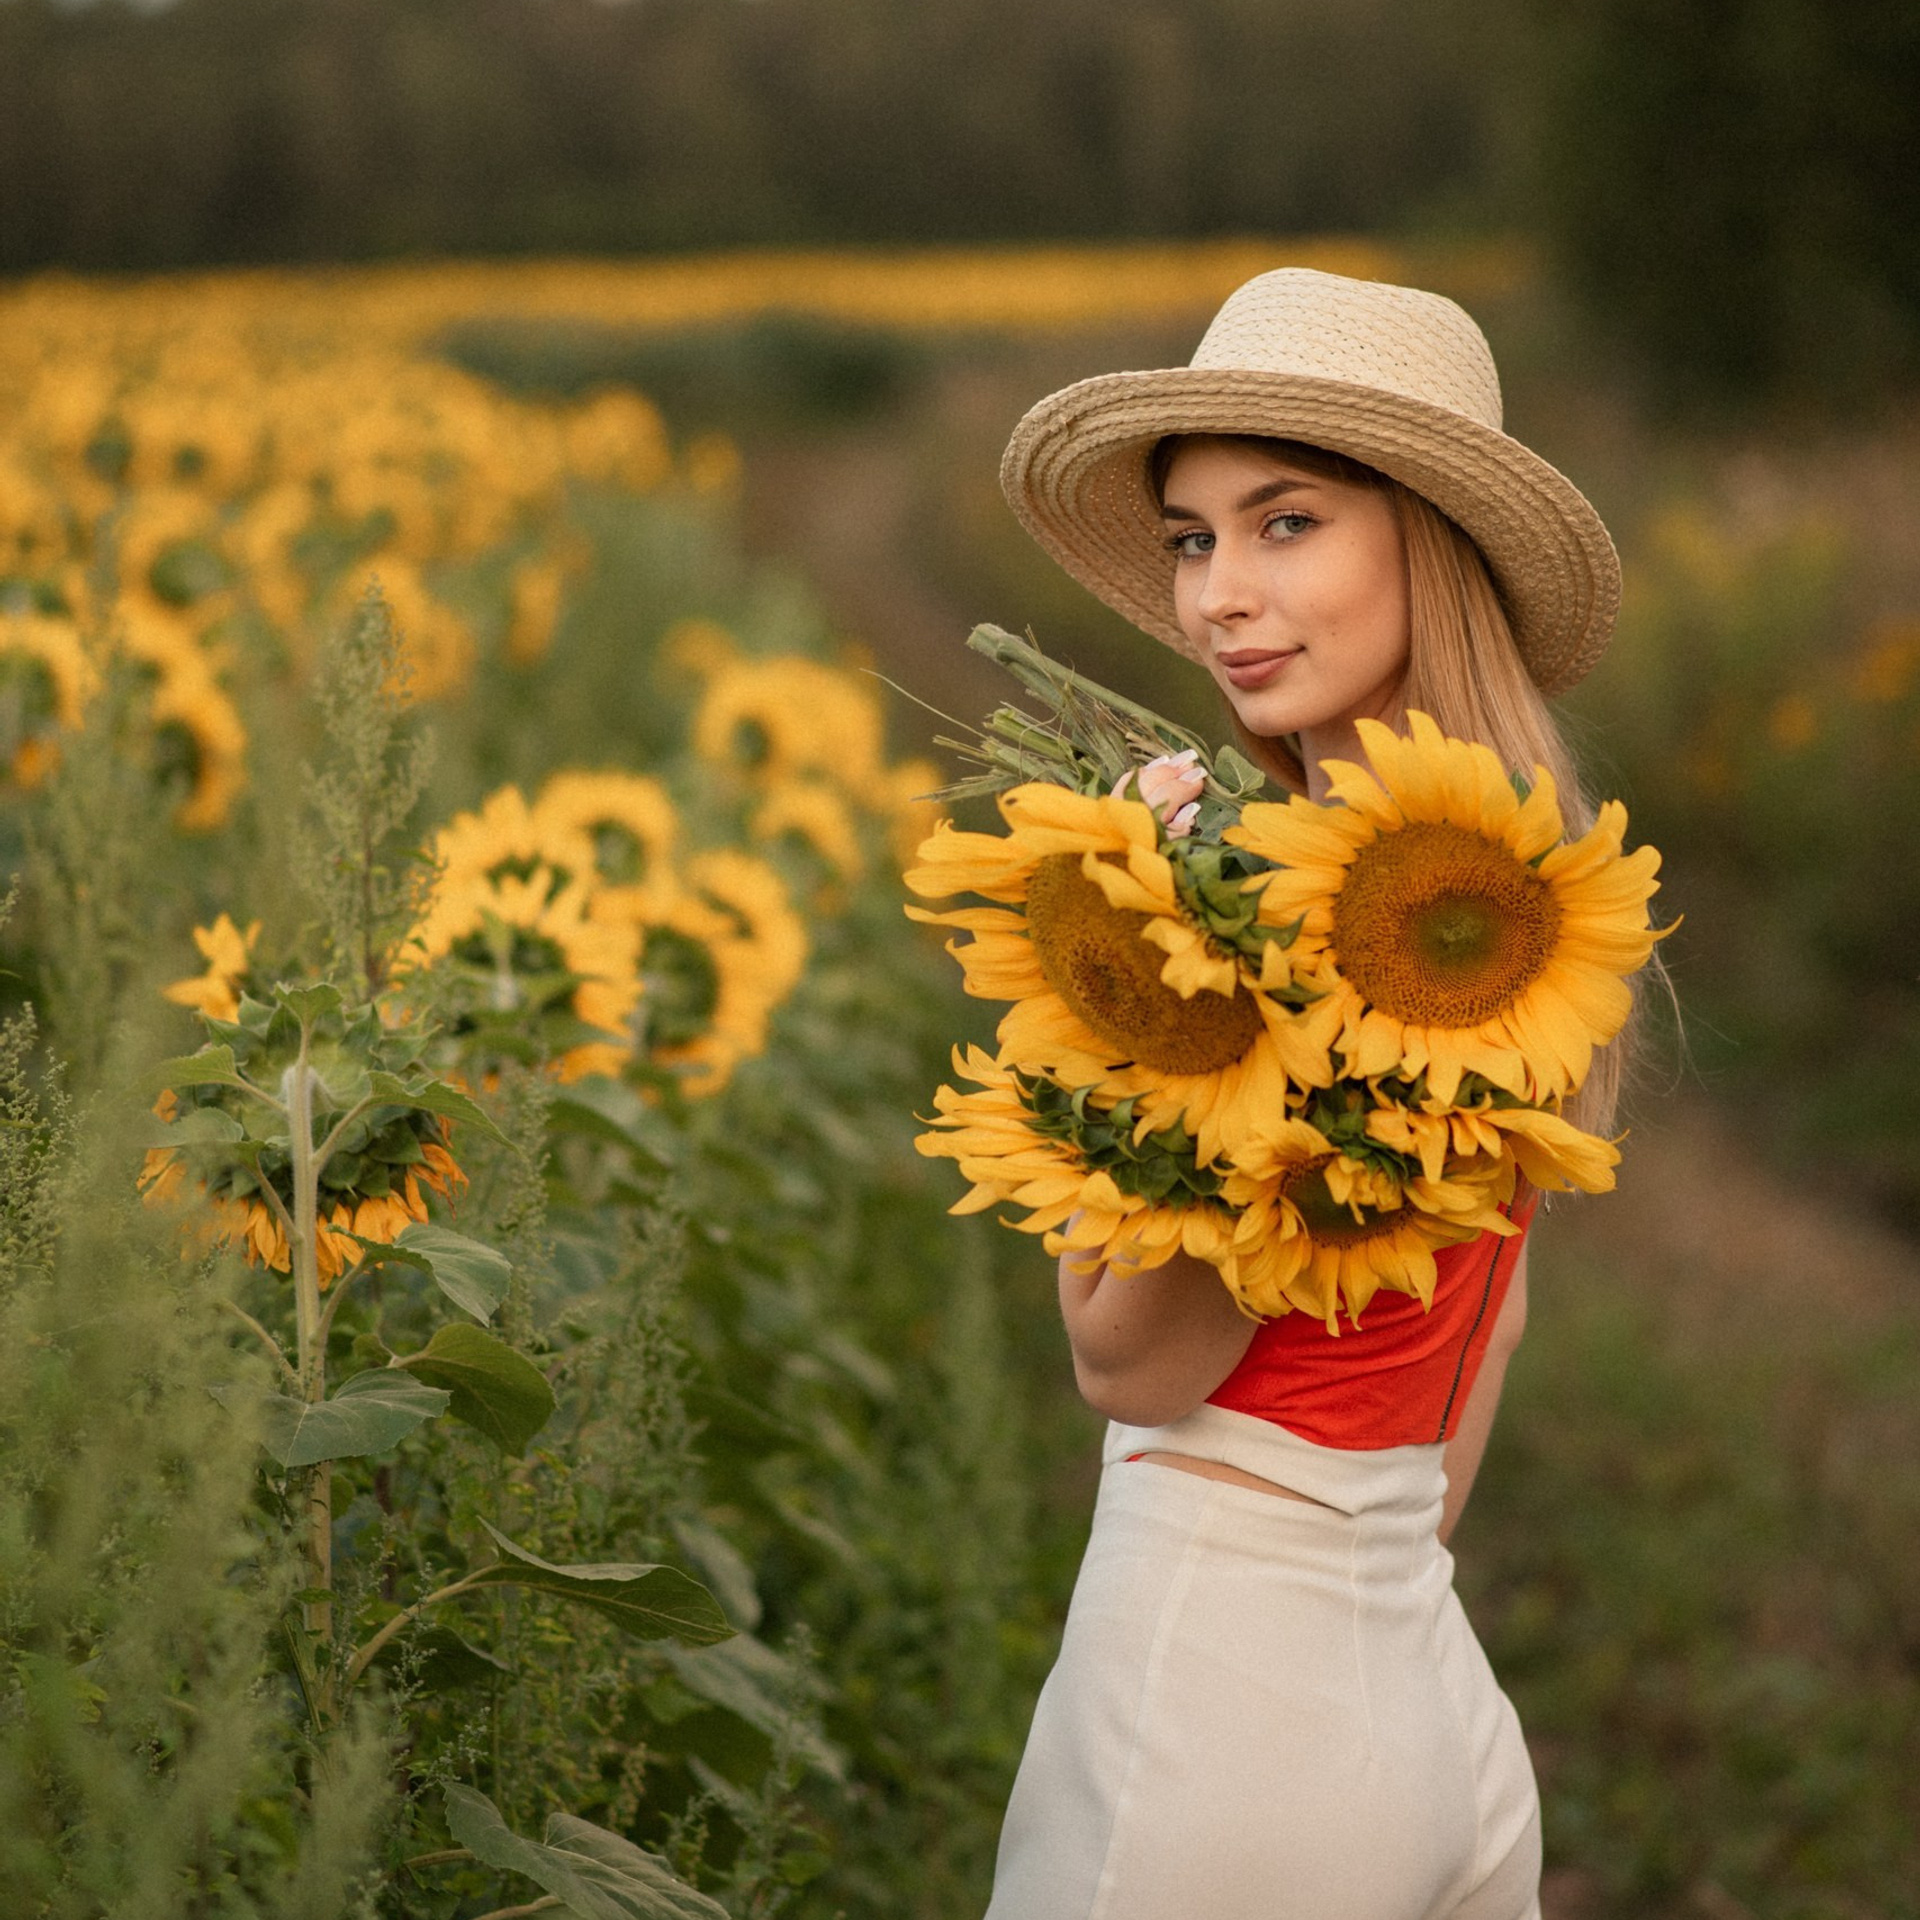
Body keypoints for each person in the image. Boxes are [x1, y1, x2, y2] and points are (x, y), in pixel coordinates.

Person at [983, 268, 1631, 1920]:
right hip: (1423, 1685)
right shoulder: (1498, 912)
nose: (1218, 596)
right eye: (1196, 538)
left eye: (1286, 523)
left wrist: (1126, 1001)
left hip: (1216, 1709)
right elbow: (1489, 1336)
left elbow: (1132, 1361)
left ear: (1430, 541)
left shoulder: (1282, 926)